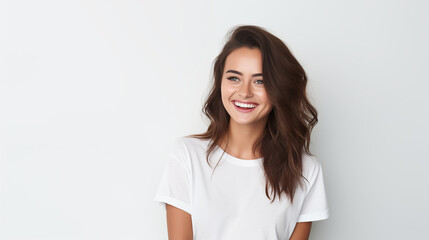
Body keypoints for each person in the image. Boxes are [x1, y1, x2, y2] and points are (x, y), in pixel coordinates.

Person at [153, 25, 329, 240]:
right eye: (234, 78)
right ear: (220, 83)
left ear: (278, 88)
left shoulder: (305, 169)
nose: (244, 92)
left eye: (260, 81)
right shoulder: (186, 156)